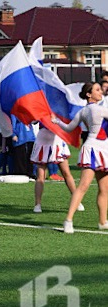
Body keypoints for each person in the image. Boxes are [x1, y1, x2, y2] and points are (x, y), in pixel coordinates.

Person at [55, 82, 108, 233]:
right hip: (94, 149)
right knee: (83, 186)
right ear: (88, 94)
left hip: (102, 149)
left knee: (104, 188)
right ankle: (68, 220)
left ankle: (103, 221)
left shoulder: (83, 111)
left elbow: (68, 127)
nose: (101, 92)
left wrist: (57, 121)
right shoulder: (97, 109)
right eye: (97, 90)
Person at [29, 117, 79, 215]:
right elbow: (32, 121)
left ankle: (76, 201)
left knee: (66, 172)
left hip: (57, 137)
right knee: (40, 176)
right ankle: (37, 204)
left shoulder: (60, 105)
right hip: (43, 139)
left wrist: (58, 121)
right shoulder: (42, 105)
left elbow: (68, 120)